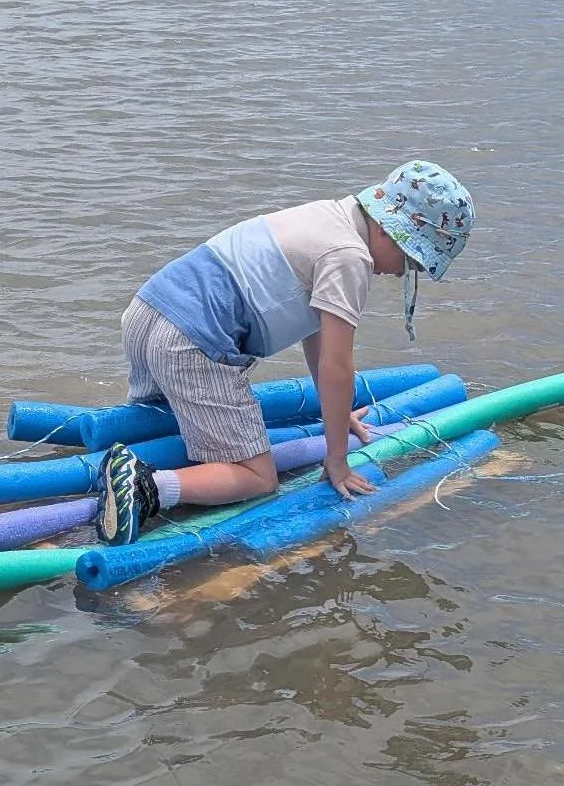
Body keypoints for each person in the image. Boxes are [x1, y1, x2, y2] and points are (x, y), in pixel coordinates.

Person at [95, 161, 475, 546]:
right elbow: (336, 366)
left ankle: (111, 466)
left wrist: (338, 418)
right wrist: (338, 461)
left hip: (148, 310)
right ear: (388, 230)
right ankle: (146, 487)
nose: (401, 273)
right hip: (192, 344)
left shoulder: (327, 215)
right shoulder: (350, 257)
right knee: (258, 477)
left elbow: (317, 338)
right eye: (411, 260)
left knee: (161, 422)